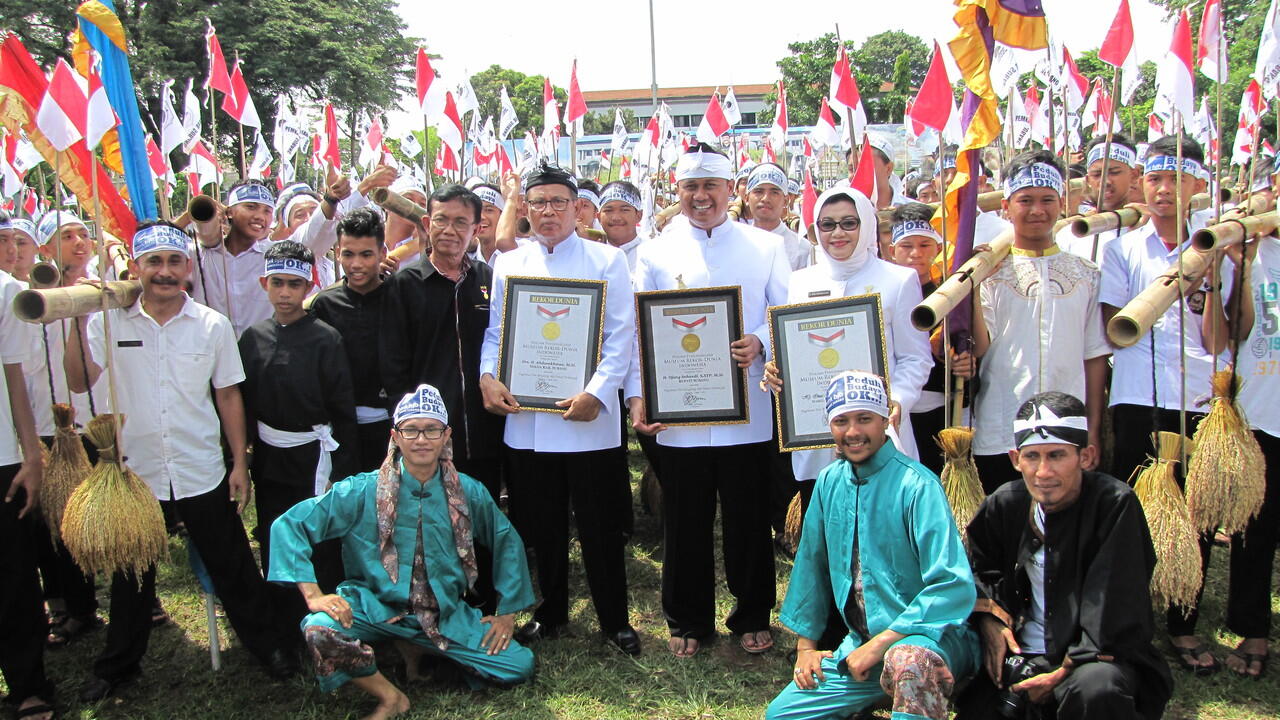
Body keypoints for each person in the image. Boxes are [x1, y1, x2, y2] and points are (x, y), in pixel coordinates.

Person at [65, 222, 303, 701]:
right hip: (136, 475)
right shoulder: (108, 321)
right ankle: (118, 666)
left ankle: (271, 649)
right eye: (153, 262)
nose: (164, 272)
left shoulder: (211, 324)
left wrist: (239, 463)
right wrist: (76, 312)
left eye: (174, 262)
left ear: (188, 268)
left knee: (233, 565)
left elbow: (228, 395)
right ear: (136, 267)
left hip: (200, 469)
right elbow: (76, 380)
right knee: (132, 576)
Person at [269, 384, 536, 720]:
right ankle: (391, 697)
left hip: (444, 615)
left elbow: (505, 539)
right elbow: (290, 525)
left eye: (431, 430)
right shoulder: (362, 490)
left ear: (446, 435)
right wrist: (312, 594)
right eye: (411, 430)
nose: (421, 439)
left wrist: (507, 613)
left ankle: (420, 650)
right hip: (375, 606)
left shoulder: (468, 491)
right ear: (395, 435)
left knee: (518, 664)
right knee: (319, 628)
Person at [629, 145, 790, 658]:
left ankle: (752, 613)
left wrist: (761, 339)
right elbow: (637, 331)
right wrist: (638, 395)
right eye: (690, 188)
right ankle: (689, 618)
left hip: (748, 410)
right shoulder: (654, 251)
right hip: (682, 412)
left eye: (711, 187)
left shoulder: (764, 247)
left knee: (747, 518)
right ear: (678, 192)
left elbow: (784, 310)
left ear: (731, 190)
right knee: (685, 519)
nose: (701, 198)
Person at [479, 162, 640, 655]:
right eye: (539, 202)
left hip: (588, 419)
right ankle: (550, 612)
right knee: (541, 524)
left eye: (558, 202)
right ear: (526, 208)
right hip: (528, 420)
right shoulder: (510, 263)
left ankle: (614, 618)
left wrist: (597, 391)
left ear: (577, 208)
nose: (548, 212)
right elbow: (496, 332)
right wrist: (488, 375)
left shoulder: (607, 260)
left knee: (599, 525)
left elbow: (620, 336)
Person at [766, 371, 979, 720]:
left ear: (886, 419)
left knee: (909, 663)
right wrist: (806, 647)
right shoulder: (829, 481)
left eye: (864, 419)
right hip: (861, 645)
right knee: (783, 715)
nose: (853, 432)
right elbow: (812, 564)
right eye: (841, 420)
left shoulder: (917, 486)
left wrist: (879, 646)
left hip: (931, 639)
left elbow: (951, 585)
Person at [1099, 135, 1235, 673]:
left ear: (1198, 185)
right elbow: (1115, 328)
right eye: (1154, 179)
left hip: (1199, 397)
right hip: (1137, 396)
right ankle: (1132, 622)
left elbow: (1219, 341)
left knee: (1194, 517)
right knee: (1133, 511)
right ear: (1141, 183)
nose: (1162, 190)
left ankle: (1184, 622)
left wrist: (1207, 282)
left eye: (1176, 179)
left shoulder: (1216, 245)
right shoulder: (1123, 248)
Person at [956, 392, 1172, 720]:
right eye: (1032, 457)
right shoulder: (1005, 504)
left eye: (1057, 455)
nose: (1043, 472)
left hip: (1091, 659)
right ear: (1015, 459)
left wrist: (1062, 672)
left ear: (1086, 456)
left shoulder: (1114, 504)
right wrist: (990, 623)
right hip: (1020, 657)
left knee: (1098, 689)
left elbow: (1116, 602)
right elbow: (977, 573)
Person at [970, 150, 1109, 493]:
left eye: (1047, 199)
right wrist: (971, 283)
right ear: (1006, 206)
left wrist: (1092, 425)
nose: (1037, 210)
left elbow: (1094, 355)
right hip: (1003, 423)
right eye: (1026, 200)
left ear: (1061, 203)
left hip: (1068, 421)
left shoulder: (1085, 275)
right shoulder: (989, 272)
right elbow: (981, 345)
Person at [238, 240, 357, 586]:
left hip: (315, 457)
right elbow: (244, 402)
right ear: (264, 284)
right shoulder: (252, 338)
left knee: (320, 539)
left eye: (294, 284)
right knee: (276, 532)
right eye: (277, 283)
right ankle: (284, 616)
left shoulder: (326, 339)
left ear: (309, 285)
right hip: (270, 459)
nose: (285, 293)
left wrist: (343, 468)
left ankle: (327, 619)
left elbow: (342, 410)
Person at [380, 184, 505, 499]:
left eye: (460, 222)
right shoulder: (403, 287)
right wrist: (410, 426)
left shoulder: (489, 280)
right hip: (428, 432)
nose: (449, 230)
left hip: (484, 426)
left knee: (482, 513)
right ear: (426, 224)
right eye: (441, 220)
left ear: (475, 229)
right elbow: (393, 364)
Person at [1222, 225, 1279, 678]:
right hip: (1262, 411)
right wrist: (1241, 268)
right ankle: (1252, 627)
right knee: (1254, 529)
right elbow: (1234, 330)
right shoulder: (1247, 247)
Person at [190, 179, 348, 337]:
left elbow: (313, 232)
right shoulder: (198, 255)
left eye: (266, 211)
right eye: (251, 207)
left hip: (261, 354)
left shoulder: (276, 254)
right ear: (229, 211)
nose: (260, 216)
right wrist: (199, 212)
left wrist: (331, 199)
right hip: (211, 355)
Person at [1, 256, 52, 720]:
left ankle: (27, 683)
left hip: (3, 456)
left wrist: (31, 453)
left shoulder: (3, 291)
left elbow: (15, 375)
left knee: (14, 574)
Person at [889, 202, 976, 475]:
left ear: (939, 248)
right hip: (898, 410)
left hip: (945, 409)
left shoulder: (951, 290)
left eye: (925, 245)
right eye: (907, 246)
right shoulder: (884, 289)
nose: (916, 254)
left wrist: (968, 364)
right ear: (892, 251)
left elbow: (975, 343)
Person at [311, 207, 392, 473]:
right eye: (348, 254)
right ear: (337, 253)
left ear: (383, 253)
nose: (356, 264)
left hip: (391, 425)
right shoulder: (324, 304)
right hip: (341, 428)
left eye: (366, 254)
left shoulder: (400, 297)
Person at [1055, 134, 1141, 266]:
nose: (1105, 181)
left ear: (1134, 175)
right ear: (1088, 180)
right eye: (1097, 174)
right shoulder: (1068, 236)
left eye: (1114, 172)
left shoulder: (1151, 231)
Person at [746, 163, 811, 270]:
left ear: (785, 200)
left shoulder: (802, 249)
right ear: (746, 197)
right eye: (758, 191)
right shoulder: (735, 245)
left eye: (774, 192)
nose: (765, 198)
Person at [597, 181, 647, 269]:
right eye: (608, 210)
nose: (616, 218)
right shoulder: (591, 255)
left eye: (624, 210)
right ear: (598, 217)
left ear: (639, 215)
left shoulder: (653, 254)